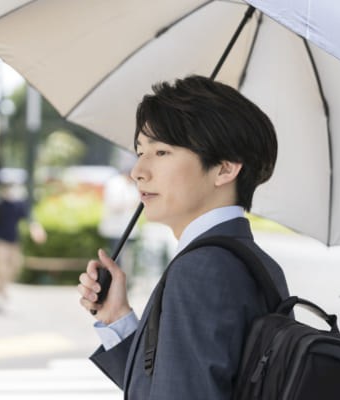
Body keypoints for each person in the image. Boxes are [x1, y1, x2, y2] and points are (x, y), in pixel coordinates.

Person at [77, 75, 291, 399]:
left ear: (224, 168)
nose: (138, 170)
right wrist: (117, 318)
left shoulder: (201, 269)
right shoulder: (259, 266)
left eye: (161, 152)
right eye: (140, 151)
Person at [0, 183, 46, 311]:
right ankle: (1, 291)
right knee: (0, 269)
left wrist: (36, 229)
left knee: (15, 266)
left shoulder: (17, 205)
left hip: (13, 242)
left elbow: (29, 218)